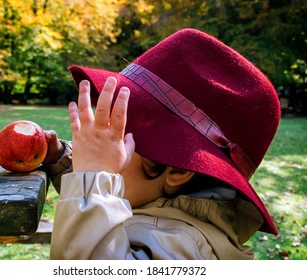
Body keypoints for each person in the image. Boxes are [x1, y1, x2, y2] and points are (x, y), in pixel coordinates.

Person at [43, 28, 281, 260]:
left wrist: (93, 175)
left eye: (117, 137)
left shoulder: (184, 249)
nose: (105, 146)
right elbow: (98, 216)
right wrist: (62, 160)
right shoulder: (159, 203)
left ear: (178, 170)